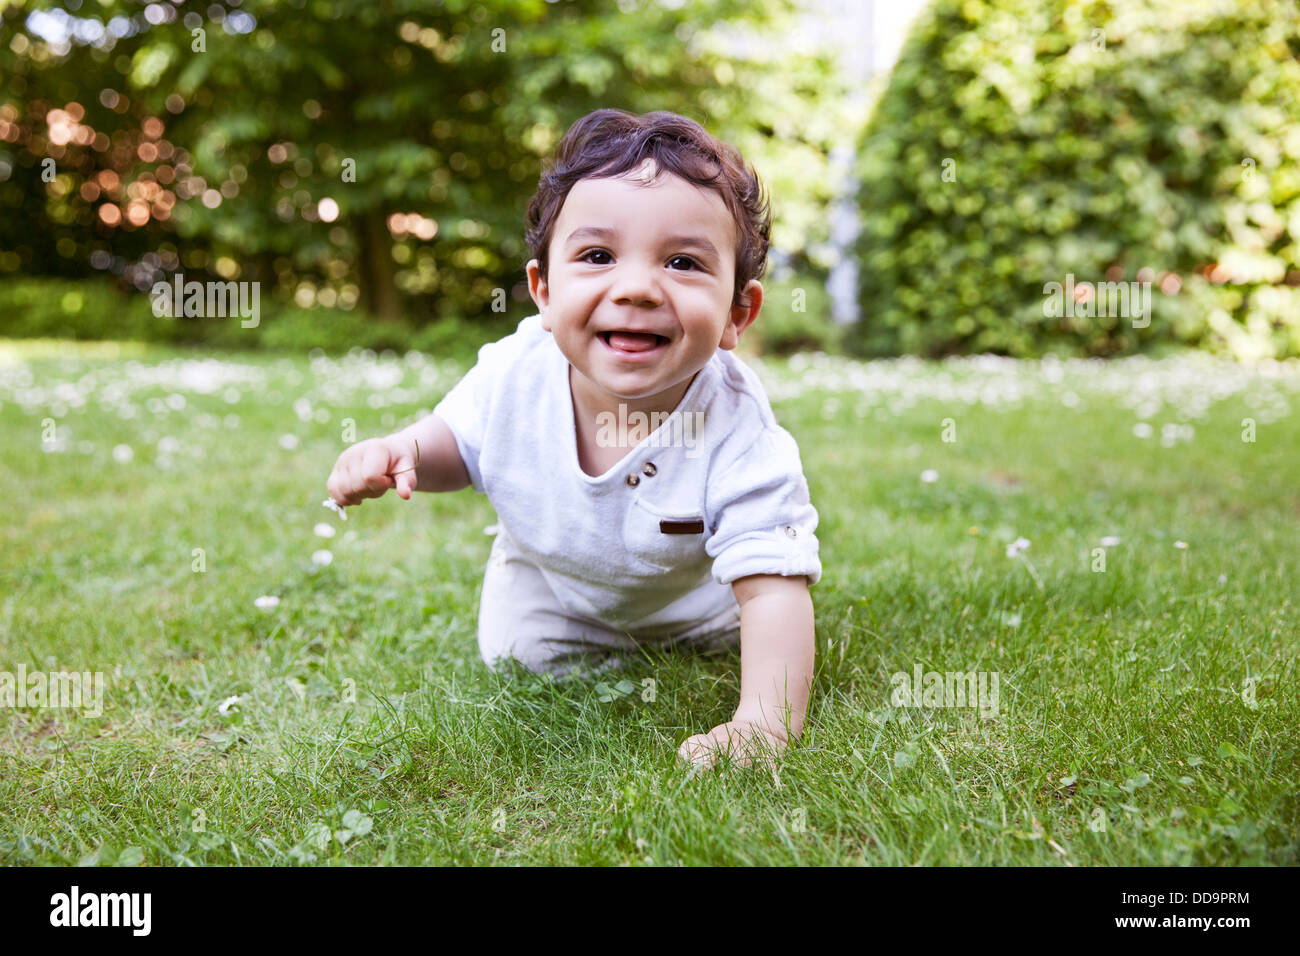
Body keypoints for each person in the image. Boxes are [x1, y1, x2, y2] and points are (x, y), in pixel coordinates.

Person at [326, 109, 822, 771]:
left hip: (695, 605)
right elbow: (463, 444)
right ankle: (586, 635)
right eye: (597, 256)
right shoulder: (513, 375)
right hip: (551, 591)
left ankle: (684, 641)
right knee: (514, 658)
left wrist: (764, 722)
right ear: (544, 291)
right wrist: (406, 452)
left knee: (757, 629)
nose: (638, 288)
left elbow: (771, 586)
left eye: (682, 262)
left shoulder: (738, 429)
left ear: (738, 313)